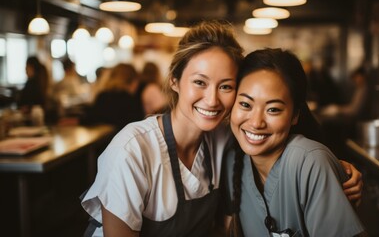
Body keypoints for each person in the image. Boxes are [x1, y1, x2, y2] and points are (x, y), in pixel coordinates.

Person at [80, 21, 362, 237]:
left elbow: (282, 149)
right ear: (175, 81)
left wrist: (334, 169)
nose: (213, 100)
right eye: (200, 82)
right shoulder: (132, 150)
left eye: (226, 86)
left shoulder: (222, 141)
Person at [224, 48, 365, 237]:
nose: (256, 122)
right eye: (245, 104)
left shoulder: (309, 162)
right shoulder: (232, 162)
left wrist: (328, 166)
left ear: (295, 115)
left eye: (273, 109)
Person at [80, 63, 142, 131]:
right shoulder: (130, 100)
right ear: (132, 81)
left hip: (102, 140)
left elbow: (91, 119)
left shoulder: (102, 96)